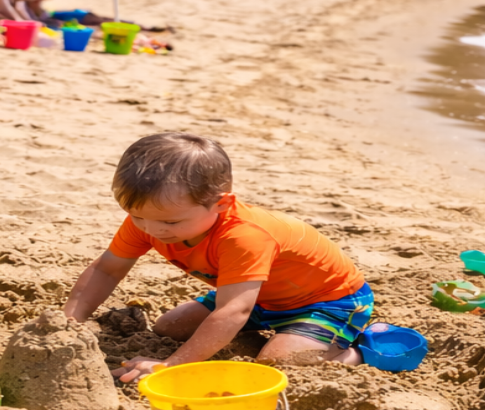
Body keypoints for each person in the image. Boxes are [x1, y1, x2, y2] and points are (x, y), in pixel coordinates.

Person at [61, 133, 375, 382]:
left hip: (328, 301)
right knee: (169, 327)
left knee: (277, 362)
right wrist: (68, 324)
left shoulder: (244, 236)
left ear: (222, 205)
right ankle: (282, 336)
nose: (152, 230)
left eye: (170, 222)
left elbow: (234, 311)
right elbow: (107, 270)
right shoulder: (148, 221)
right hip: (258, 296)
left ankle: (360, 352)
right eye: (137, 216)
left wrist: (172, 364)